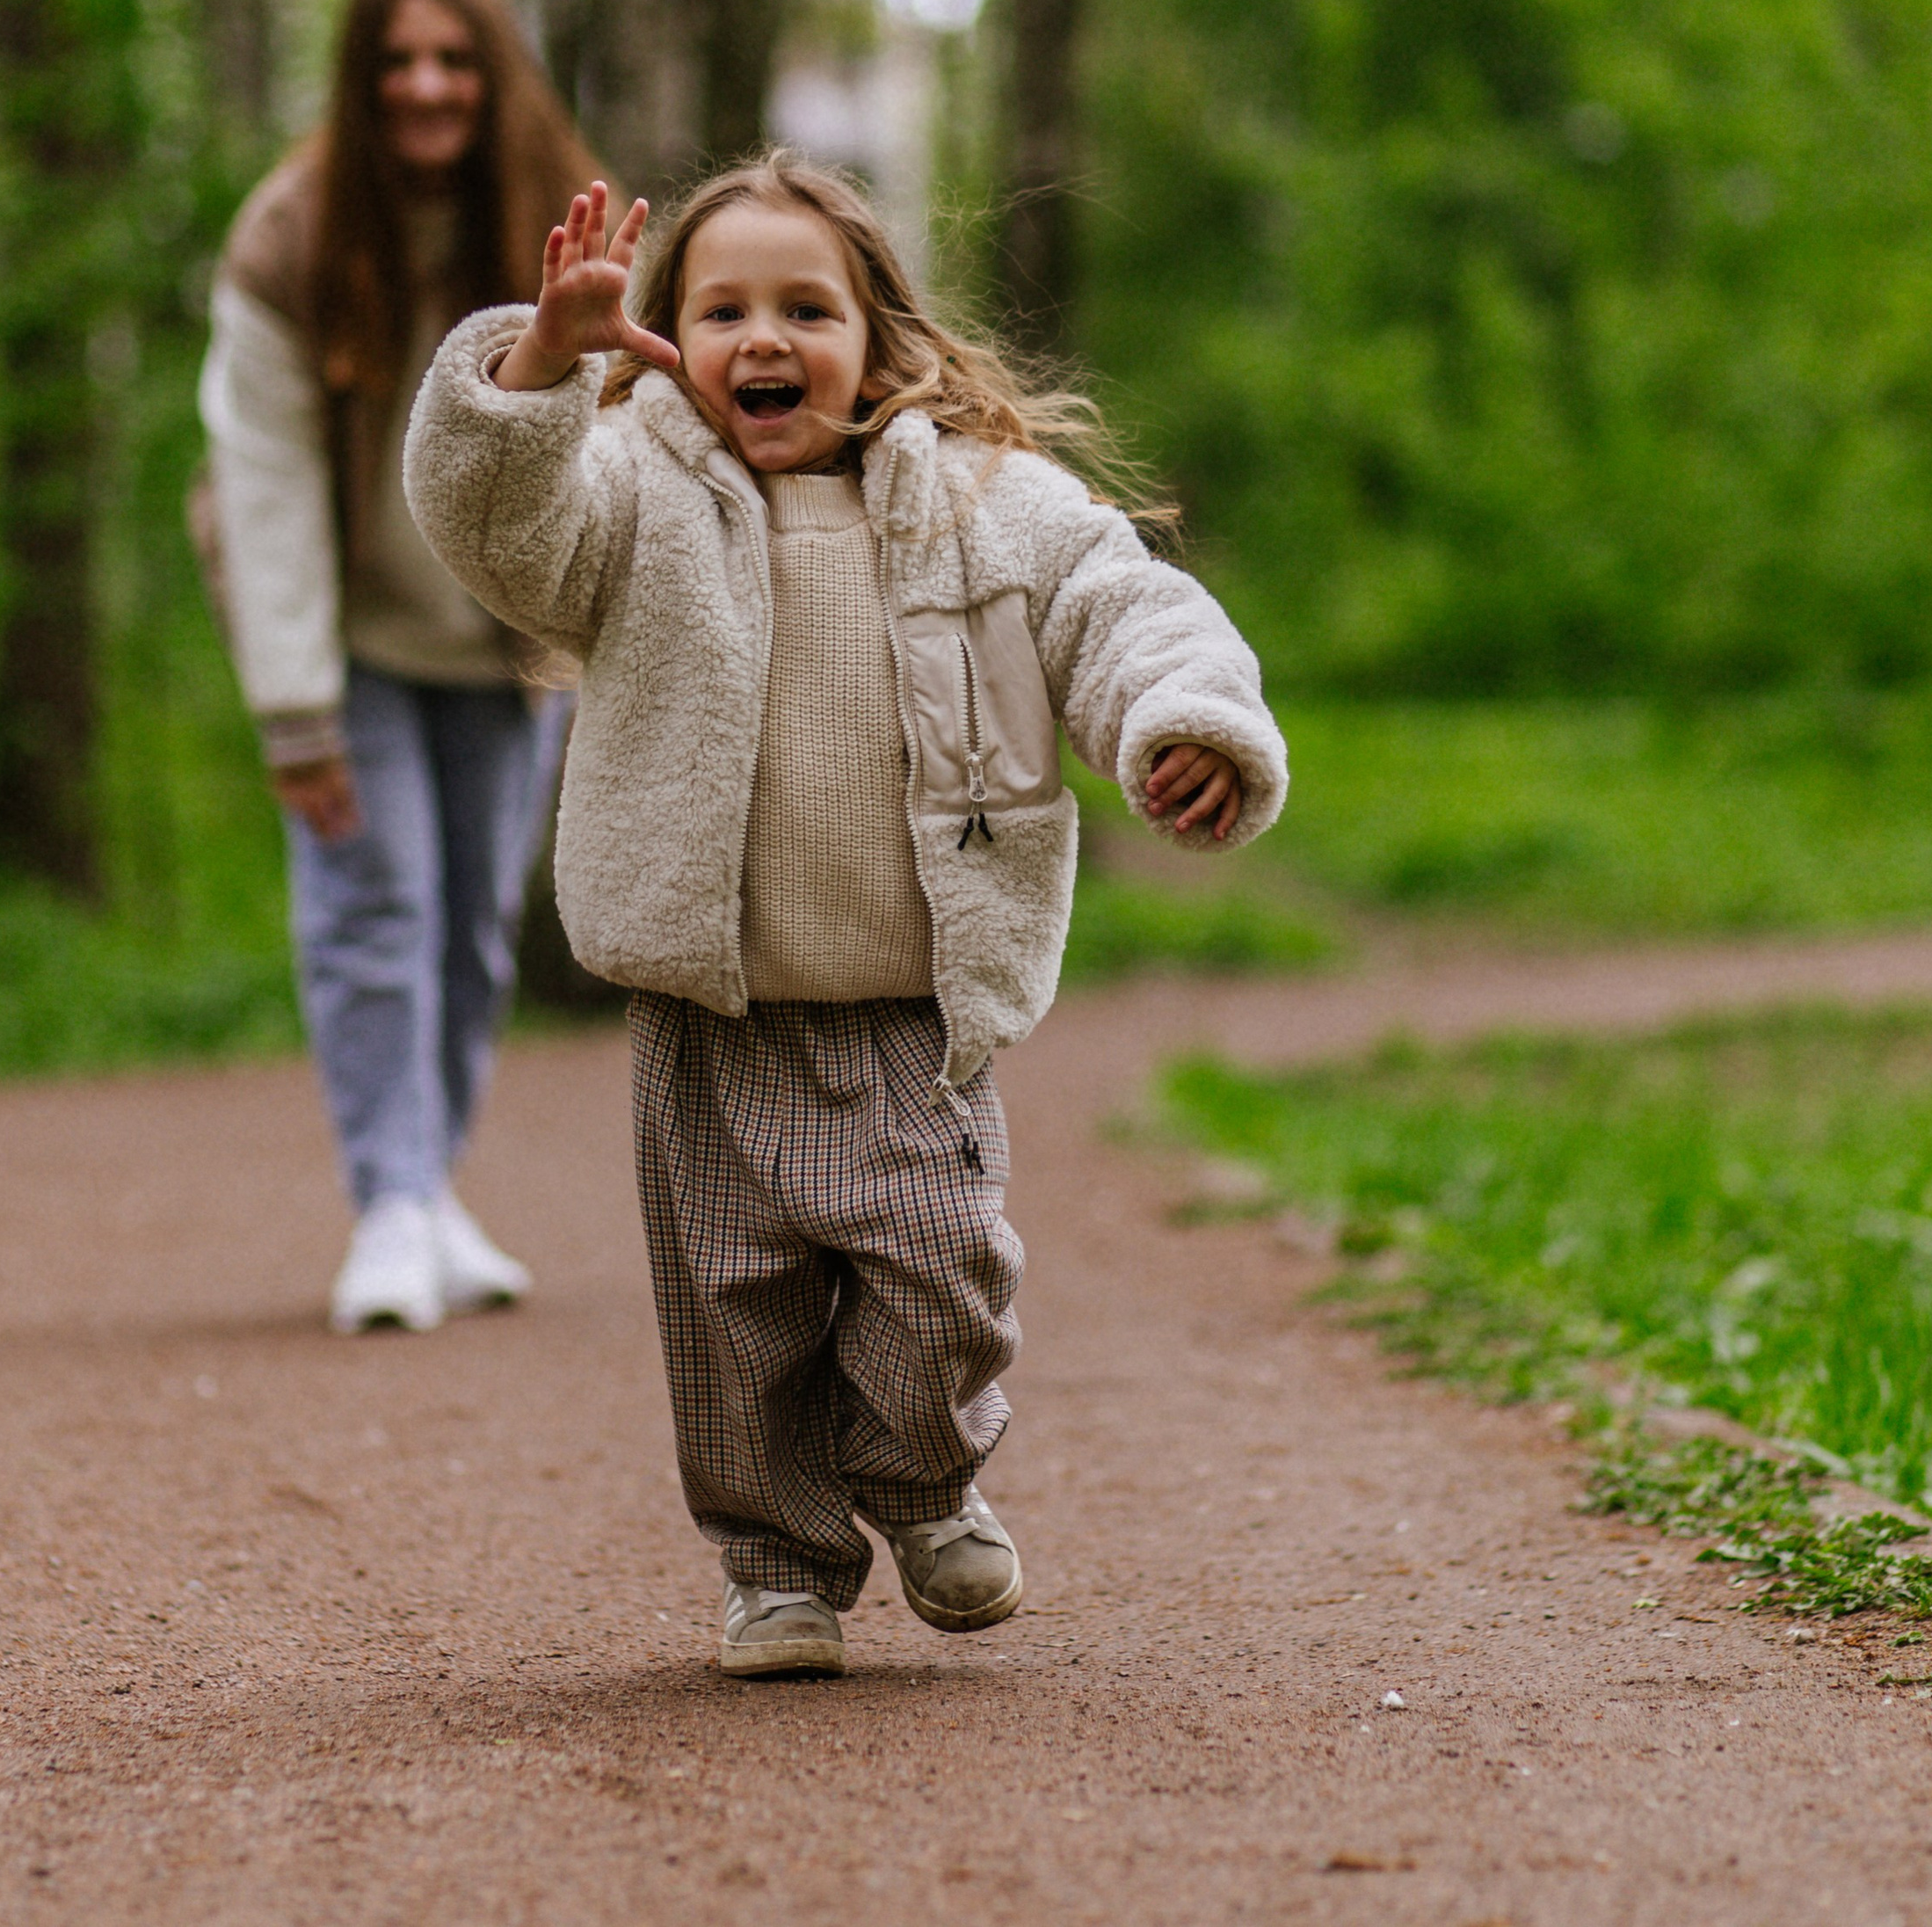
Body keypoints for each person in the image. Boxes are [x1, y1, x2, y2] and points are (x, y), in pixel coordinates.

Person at [404, 156, 1288, 1675]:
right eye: (723, 310)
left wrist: (1182, 719)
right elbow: (497, 527)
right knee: (733, 1324)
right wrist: (540, 363)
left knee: (943, 1285)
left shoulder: (985, 503)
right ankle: (776, 1567)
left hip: (909, 1013)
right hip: (714, 1016)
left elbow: (1122, 606)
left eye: (806, 309)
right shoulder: (630, 498)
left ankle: (925, 1486)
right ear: (666, 337)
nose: (765, 338)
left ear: (878, 337)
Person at [197, 0, 603, 1334]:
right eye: (397, 63)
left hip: (504, 640)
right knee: (377, 909)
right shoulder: (291, 237)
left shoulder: (560, 211)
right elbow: (259, 483)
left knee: (474, 929)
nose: (426, 86)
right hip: (354, 637)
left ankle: (431, 1188)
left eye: (453, 60)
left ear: (493, 76)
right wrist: (293, 711)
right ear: (358, 83)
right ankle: (389, 1205)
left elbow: (624, 437)